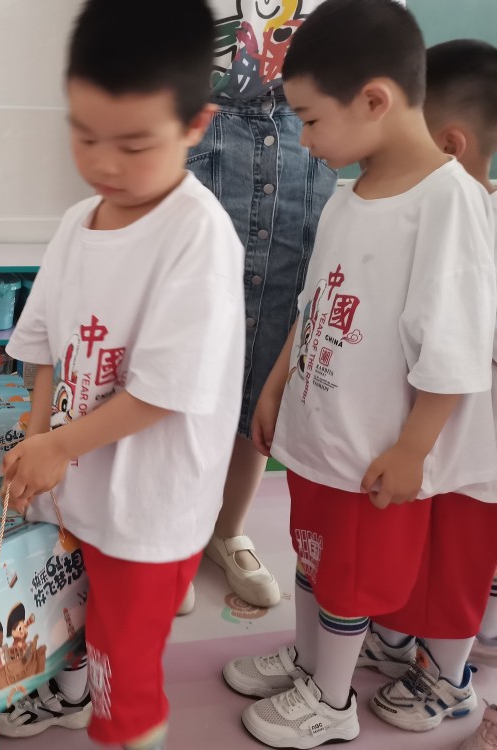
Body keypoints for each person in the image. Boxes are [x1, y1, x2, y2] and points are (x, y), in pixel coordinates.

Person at [221, 1, 497, 747]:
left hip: (373, 451)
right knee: (313, 557)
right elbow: (312, 304)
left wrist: (414, 450)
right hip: (321, 433)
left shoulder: (448, 202)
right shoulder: (350, 196)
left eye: (311, 120)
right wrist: (275, 386)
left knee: (348, 573)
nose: (305, 140)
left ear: (374, 100)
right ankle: (312, 661)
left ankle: (331, 700)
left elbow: (456, 346)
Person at [0, 1, 246, 746]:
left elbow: (164, 392)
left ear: (195, 125)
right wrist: (37, 439)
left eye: (134, 145)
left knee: (122, 666)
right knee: (72, 614)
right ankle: (68, 695)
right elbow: (44, 348)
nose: (104, 164)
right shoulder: (78, 222)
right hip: (77, 488)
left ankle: (119, 725)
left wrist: (58, 445)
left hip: (149, 510)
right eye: (84, 136)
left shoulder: (198, 236)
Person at [186, 0, 342, 612]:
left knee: (272, 344)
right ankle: (172, 535)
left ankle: (228, 529)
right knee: (185, 355)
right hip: (205, 120)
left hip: (301, 131)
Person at [367, 38, 497, 750]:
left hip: (477, 455)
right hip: (430, 440)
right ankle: (401, 640)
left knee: (457, 568)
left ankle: (448, 677)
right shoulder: (432, 215)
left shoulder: (477, 224)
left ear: (447, 144)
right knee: (419, 548)